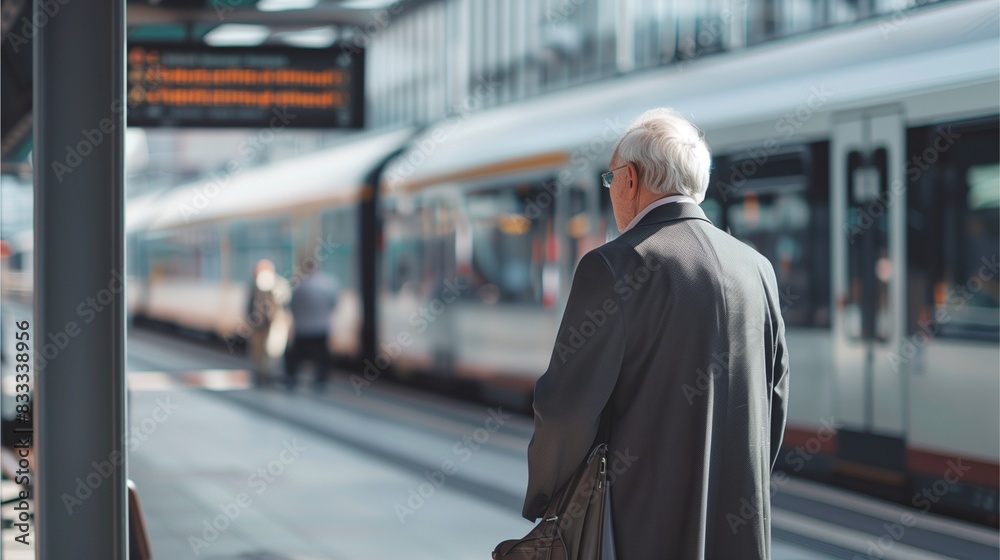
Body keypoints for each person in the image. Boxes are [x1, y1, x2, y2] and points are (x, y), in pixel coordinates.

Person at [522, 108, 789, 559]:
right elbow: (775, 401)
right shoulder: (757, 269)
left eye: (610, 181)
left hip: (636, 525)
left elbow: (566, 408)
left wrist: (544, 495)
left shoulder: (613, 266)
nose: (612, 193)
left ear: (630, 179)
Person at [284, 262, 337, 389]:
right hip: (320, 328)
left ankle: (292, 378)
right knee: (321, 357)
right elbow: (333, 304)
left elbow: (291, 305)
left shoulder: (298, 287)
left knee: (295, 357)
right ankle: (321, 380)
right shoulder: (327, 285)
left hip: (302, 328)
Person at [245, 259, 290, 385]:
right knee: (257, 352)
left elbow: (283, 304)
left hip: (273, 325)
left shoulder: (279, 284)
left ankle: (271, 375)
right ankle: (260, 374)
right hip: (257, 326)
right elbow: (250, 304)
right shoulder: (254, 285)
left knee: (273, 351)